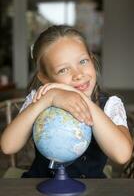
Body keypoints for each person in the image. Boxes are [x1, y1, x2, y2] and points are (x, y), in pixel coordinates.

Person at [1, 25, 133, 178]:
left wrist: (83, 99)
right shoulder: (39, 99)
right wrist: (49, 98)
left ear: (92, 59)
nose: (78, 74)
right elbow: (8, 146)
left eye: (83, 61)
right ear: (44, 77)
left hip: (90, 188)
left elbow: (122, 155)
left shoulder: (109, 105)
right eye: (63, 70)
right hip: (40, 186)